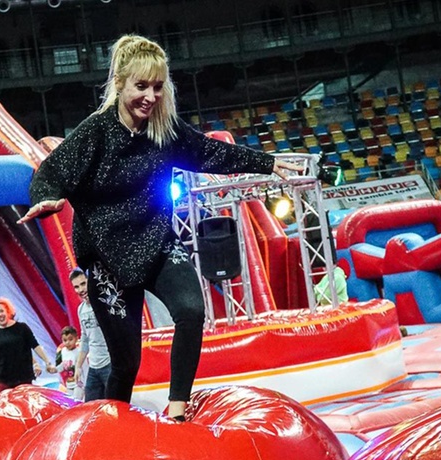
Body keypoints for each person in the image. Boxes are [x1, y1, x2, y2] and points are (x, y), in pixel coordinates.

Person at [19, 34, 302, 421]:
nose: (150, 97)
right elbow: (50, 172)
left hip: (157, 244)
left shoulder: (164, 130)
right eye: (141, 86)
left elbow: (210, 151)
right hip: (107, 260)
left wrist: (267, 163)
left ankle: (178, 409)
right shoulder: (95, 132)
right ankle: (108, 429)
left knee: (190, 309)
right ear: (119, 83)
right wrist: (46, 198)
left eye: (157, 87)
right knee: (126, 363)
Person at [0, 297, 57, 395]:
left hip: (23, 377)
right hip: (4, 379)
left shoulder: (22, 328)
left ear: (8, 311)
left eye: (1, 311)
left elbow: (35, 346)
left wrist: (47, 362)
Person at [69, 268, 111, 401]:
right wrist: (78, 366)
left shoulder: (105, 303)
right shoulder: (81, 310)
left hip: (109, 364)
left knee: (115, 406)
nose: (81, 289)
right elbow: (85, 340)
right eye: (76, 286)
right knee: (91, 409)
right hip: (94, 367)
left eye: (83, 284)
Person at [56, 325, 84, 400]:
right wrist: (55, 369)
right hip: (69, 384)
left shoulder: (79, 352)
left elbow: (84, 367)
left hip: (79, 384)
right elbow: (63, 365)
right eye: (65, 340)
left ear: (76, 339)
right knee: (70, 402)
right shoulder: (63, 351)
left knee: (77, 401)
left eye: (70, 339)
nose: (68, 342)